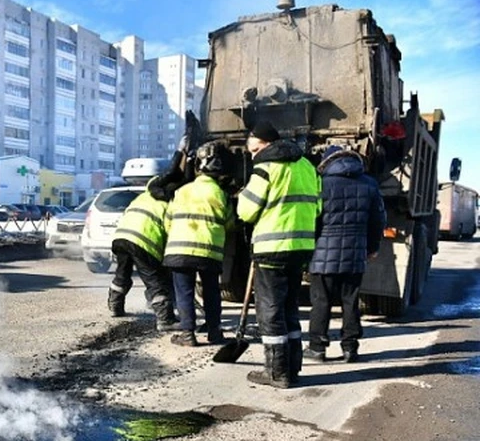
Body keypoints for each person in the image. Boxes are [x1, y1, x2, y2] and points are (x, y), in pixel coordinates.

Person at [237, 121, 321, 388]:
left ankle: (277, 373)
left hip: (271, 248)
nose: (253, 156)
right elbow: (317, 206)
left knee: (270, 311)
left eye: (255, 150)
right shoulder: (307, 166)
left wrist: (243, 196)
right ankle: (293, 367)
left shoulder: (266, 168)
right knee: (289, 308)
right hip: (300, 249)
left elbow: (246, 211)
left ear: (267, 144)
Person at [305, 146, 386, 363]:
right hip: (356, 251)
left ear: (327, 162)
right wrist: (372, 247)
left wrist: (308, 248)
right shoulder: (369, 183)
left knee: (321, 301)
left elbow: (312, 218)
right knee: (350, 301)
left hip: (323, 252)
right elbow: (378, 219)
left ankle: (317, 348)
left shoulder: (320, 183)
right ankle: (350, 348)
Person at [163, 140, 235, 347]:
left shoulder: (182, 191)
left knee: (184, 292)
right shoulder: (221, 195)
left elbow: (168, 221)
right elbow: (230, 224)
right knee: (212, 292)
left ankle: (188, 335)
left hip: (179, 251)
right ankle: (214, 332)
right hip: (209, 253)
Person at [107, 175, 177, 332]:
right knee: (154, 279)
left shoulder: (141, 198)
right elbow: (170, 230)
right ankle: (165, 319)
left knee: (122, 274)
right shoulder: (167, 204)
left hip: (121, 238)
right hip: (142, 241)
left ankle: (115, 306)